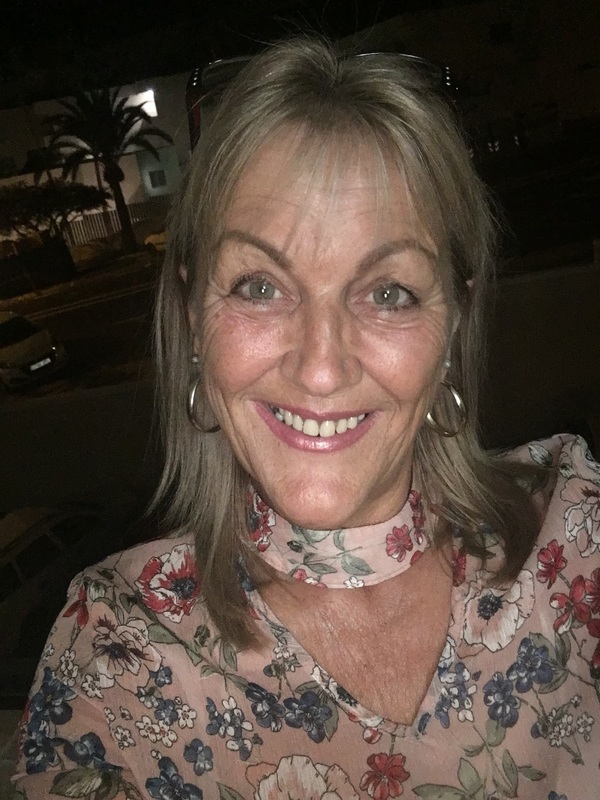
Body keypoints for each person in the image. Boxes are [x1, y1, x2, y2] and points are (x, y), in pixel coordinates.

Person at [12, 38, 600, 800]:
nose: (321, 368)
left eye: (388, 293)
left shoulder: (575, 541)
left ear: (453, 324)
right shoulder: (120, 658)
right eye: (260, 286)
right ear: (193, 318)